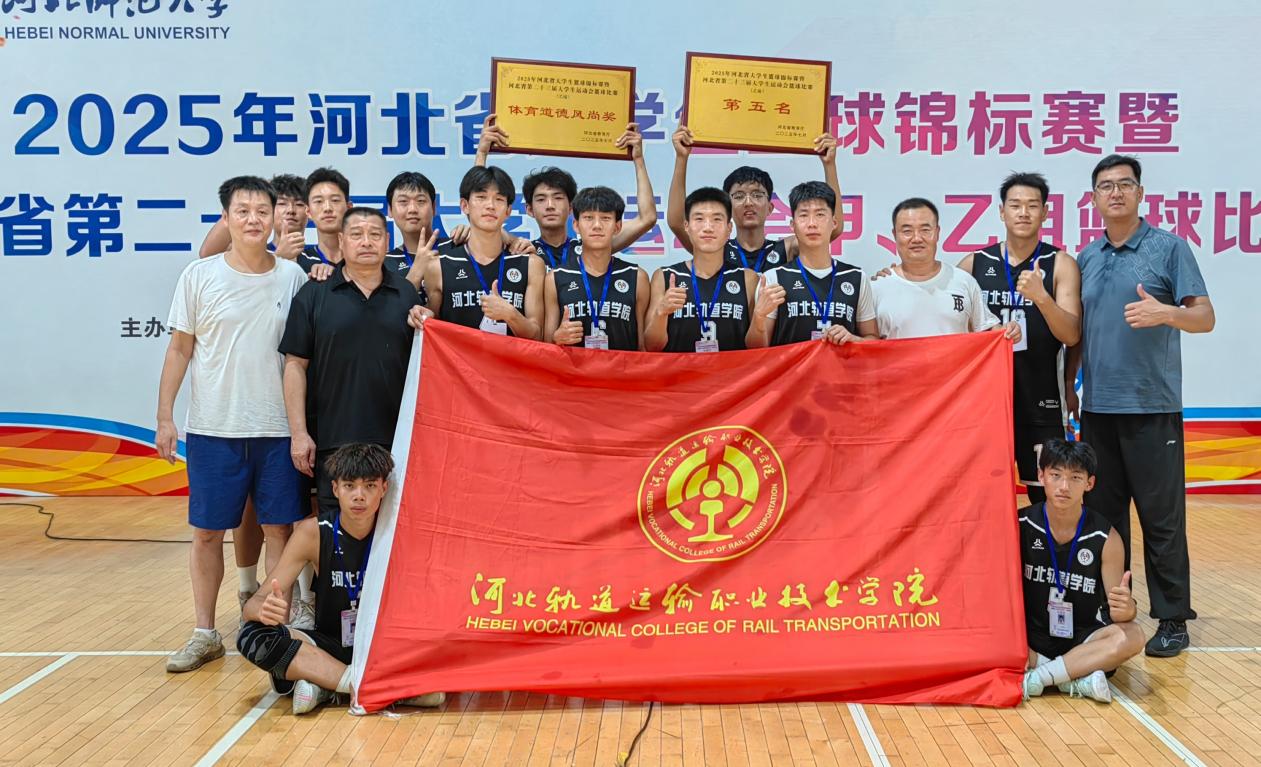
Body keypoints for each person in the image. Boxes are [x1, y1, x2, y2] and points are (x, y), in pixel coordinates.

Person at [156, 176, 309, 672]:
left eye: (262, 210)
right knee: (206, 533)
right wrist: (165, 417)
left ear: (275, 217)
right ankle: (205, 632)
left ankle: (274, 632)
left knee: (278, 531)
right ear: (226, 218)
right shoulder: (198, 276)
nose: (252, 219)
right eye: (242, 211)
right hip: (213, 430)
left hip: (277, 430)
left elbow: (301, 358)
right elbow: (179, 349)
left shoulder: (292, 278)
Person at [1066, 154, 1215, 657]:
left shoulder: (1169, 248)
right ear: (1093, 198)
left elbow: (1205, 318)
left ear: (1140, 193)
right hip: (1097, 411)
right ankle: (1113, 609)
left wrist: (1166, 312)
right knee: (1105, 520)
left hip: (1153, 409)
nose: (1115, 193)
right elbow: (1078, 333)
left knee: (1161, 520)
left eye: (1125, 184)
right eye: (1105, 186)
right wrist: (1070, 385)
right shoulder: (1086, 258)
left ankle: (1172, 618)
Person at [237, 443, 445, 713]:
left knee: (438, 684)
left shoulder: (399, 533)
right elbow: (254, 604)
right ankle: (359, 684)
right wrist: (262, 610)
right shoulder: (313, 533)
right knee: (251, 635)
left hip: (385, 647)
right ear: (335, 489)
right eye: (349, 486)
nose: (359, 496)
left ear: (384, 488)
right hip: (330, 645)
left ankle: (325, 685)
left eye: (370, 486)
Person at [280, 208, 430, 515]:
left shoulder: (405, 294)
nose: (366, 242)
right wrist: (299, 433)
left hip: (396, 441)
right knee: (334, 530)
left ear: (386, 240)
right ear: (341, 240)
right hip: (332, 439)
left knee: (392, 528)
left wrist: (428, 322)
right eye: (357, 234)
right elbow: (295, 365)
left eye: (375, 234)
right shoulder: (314, 293)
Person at [960, 173, 1081, 504]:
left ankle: (1043, 542)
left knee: (1047, 495)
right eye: (1015, 205)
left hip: (1042, 401)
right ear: (1002, 212)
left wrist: (1042, 298)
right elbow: (950, 326)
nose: (1024, 213)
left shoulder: (1060, 264)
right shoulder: (973, 265)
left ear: (1045, 212)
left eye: (1032, 205)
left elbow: (1071, 334)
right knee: (981, 496)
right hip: (984, 403)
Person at [1020, 439, 1145, 703]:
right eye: (1056, 475)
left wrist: (1128, 608)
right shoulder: (1019, 524)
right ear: (1041, 476)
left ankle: (1039, 676)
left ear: (1089, 483)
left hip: (1082, 639)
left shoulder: (1106, 537)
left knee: (1133, 635)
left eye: (1075, 477)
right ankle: (1072, 678)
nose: (1064, 486)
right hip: (1029, 637)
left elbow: (1119, 614)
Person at [475, 114, 657, 268]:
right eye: (541, 199)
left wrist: (638, 160)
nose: (550, 205)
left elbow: (647, 218)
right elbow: (478, 220)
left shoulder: (592, 245)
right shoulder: (522, 249)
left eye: (557, 198)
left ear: (571, 207)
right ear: (529, 210)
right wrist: (482, 153)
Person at [667, 125, 843, 272]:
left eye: (757, 195)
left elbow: (833, 228)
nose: (748, 202)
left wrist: (829, 164)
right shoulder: (715, 248)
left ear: (770, 207)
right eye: (739, 196)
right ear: (728, 208)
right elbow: (676, 222)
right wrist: (681, 158)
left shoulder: (788, 249)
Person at [870, 198, 1021, 343]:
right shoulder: (876, 288)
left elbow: (988, 331)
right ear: (894, 235)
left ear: (937, 233)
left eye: (925, 230)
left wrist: (1008, 331)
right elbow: (867, 342)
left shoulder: (963, 281)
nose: (917, 238)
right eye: (907, 231)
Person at [746, 181, 877, 347]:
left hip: (840, 365)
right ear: (792, 225)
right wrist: (758, 316)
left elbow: (873, 339)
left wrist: (854, 339)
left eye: (820, 214)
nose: (812, 223)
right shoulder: (774, 279)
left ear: (834, 223)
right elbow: (755, 349)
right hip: (792, 366)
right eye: (803, 215)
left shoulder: (856, 278)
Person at [424, 166, 544, 339]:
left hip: (508, 358)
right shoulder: (438, 267)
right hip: (459, 358)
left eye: (499, 199)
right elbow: (432, 332)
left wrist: (510, 314)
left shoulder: (530, 264)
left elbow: (537, 336)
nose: (490, 206)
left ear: (508, 211)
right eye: (481, 197)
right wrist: (421, 314)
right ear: (465, 205)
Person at [645, 187, 757, 353]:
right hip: (680, 370)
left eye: (717, 219)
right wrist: (661, 313)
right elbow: (651, 346)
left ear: (729, 228)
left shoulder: (747, 279)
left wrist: (761, 316)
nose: (708, 227)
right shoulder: (665, 276)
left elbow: (758, 347)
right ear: (686, 226)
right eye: (699, 219)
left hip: (733, 370)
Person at [545, 186, 650, 350]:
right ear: (576, 225)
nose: (597, 225)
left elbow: (643, 347)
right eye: (588, 218)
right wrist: (556, 338)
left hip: (621, 367)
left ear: (617, 227)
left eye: (605, 218)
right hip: (574, 367)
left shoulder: (636, 277)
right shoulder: (556, 278)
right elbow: (545, 345)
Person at [196, 173, 309, 262]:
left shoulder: (316, 258)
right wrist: (279, 258)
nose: (290, 210)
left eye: (299, 204)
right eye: (282, 203)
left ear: (309, 211)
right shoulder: (248, 253)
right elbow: (207, 255)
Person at [383, 171, 440, 296]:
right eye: (403, 201)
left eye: (420, 201)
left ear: (434, 207)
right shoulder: (384, 265)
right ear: (390, 210)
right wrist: (417, 270)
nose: (412, 209)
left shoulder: (457, 249)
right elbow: (386, 307)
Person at [297, 167, 351, 274]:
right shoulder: (299, 262)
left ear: (349, 208)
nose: (327, 208)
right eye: (318, 201)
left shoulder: (366, 259)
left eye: (335, 200)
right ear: (308, 212)